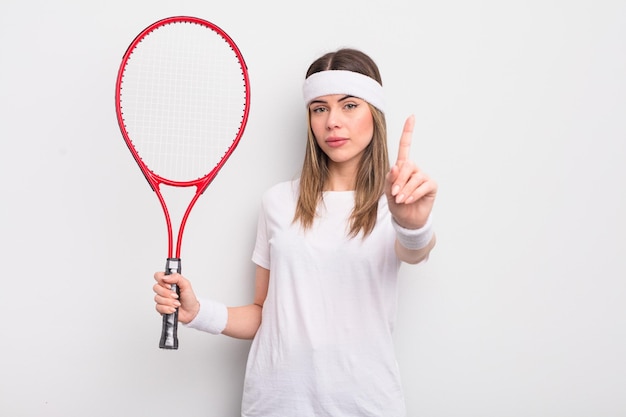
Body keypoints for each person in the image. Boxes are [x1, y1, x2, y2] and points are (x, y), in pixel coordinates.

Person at [153, 48, 437, 417]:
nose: (332, 121)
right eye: (319, 108)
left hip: (366, 403)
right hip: (275, 403)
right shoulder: (277, 203)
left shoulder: (397, 203)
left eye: (349, 105)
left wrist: (413, 225)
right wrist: (197, 312)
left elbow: (416, 250)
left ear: (375, 113)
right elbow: (263, 313)